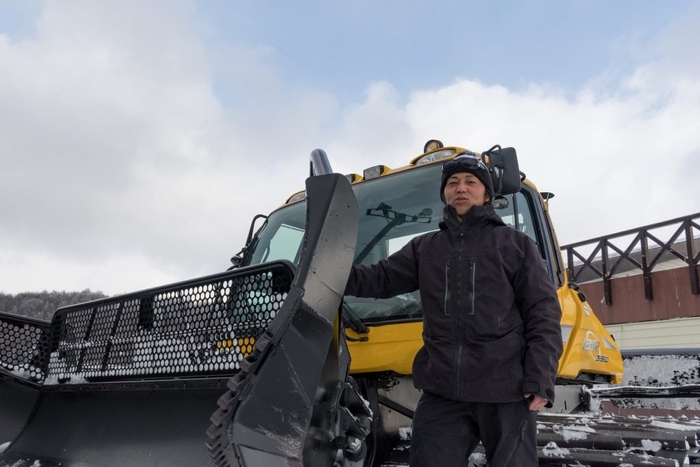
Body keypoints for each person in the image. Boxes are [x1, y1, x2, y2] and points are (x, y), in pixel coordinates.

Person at [344, 152, 563, 467]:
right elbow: (379, 278)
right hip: (443, 390)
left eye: (471, 182)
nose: (461, 188)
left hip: (505, 388)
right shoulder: (426, 248)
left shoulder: (514, 244)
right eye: (453, 183)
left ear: (486, 194)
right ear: (445, 194)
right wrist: (328, 273)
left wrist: (541, 376)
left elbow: (543, 313)